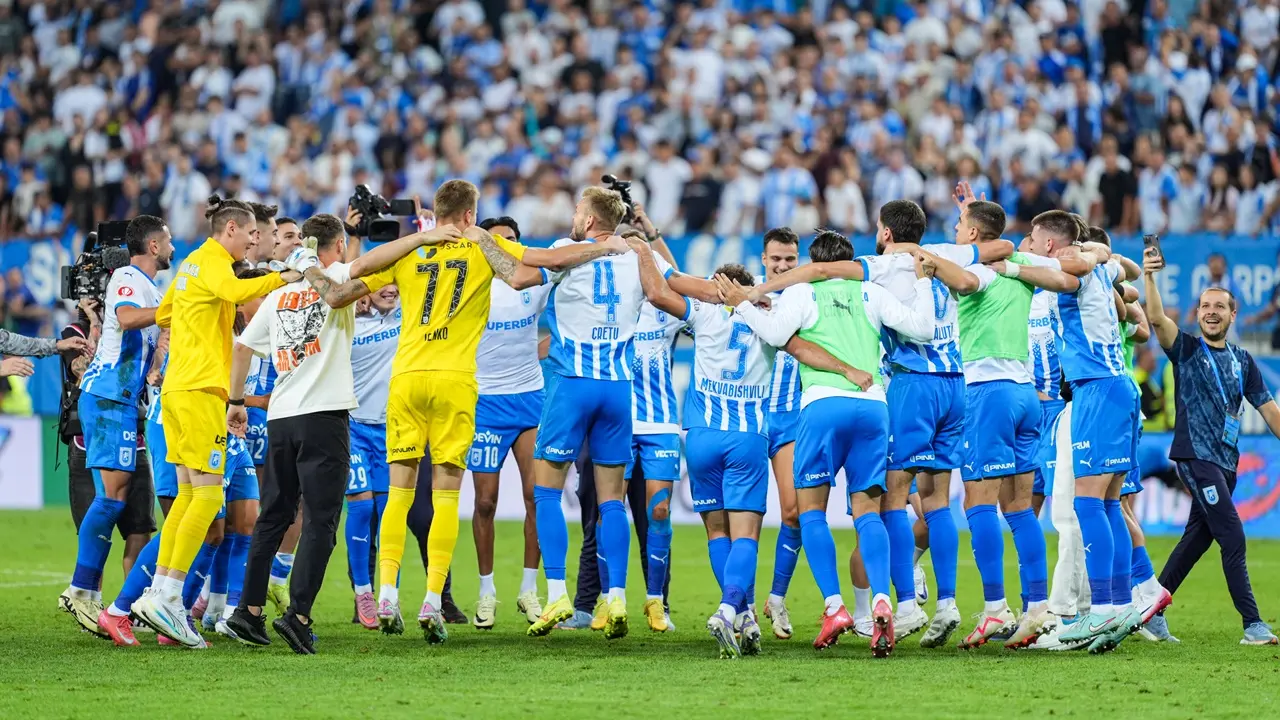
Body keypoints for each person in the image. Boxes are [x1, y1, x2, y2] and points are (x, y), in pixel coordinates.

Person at [365, 180, 624, 644]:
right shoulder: (484, 251)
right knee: (459, 497)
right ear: (470, 217)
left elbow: (349, 280)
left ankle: (389, 592)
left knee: (403, 492)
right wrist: (605, 248)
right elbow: (539, 264)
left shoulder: (407, 254)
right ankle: (435, 599)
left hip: (415, 381)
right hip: (465, 387)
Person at [749, 195, 1014, 647]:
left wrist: (756, 294)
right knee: (935, 500)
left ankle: (903, 603)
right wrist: (962, 231)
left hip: (910, 387)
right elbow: (1000, 249)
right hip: (956, 384)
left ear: (886, 232)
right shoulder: (941, 255)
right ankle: (951, 602)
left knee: (887, 500)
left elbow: (820, 275)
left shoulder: (879, 266)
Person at [225, 213, 451, 652]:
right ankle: (299, 615)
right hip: (324, 417)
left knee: (274, 516)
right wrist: (422, 236)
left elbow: (240, 349)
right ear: (340, 246)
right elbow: (376, 262)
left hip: (281, 417)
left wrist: (236, 403)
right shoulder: (334, 276)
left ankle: (247, 613)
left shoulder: (278, 296)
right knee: (322, 521)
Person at [729, 229, 936, 657]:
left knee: (811, 513)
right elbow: (923, 328)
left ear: (814, 263)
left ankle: (835, 606)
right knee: (868, 511)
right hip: (873, 406)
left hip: (823, 406)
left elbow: (775, 335)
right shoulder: (871, 292)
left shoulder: (803, 293)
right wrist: (923, 281)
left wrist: (742, 304)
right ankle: (882, 599)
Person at [524, 188, 713, 639]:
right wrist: (745, 294)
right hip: (619, 392)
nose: (572, 216)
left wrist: (479, 240)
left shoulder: (565, 252)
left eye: (576, 210)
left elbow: (519, 274)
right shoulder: (637, 258)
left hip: (574, 384)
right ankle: (618, 598)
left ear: (589, 220)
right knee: (611, 504)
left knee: (547, 491)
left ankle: (556, 596)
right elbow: (678, 285)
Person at [663, 257, 867, 658]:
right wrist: (847, 369)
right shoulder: (766, 323)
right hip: (747, 438)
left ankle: (745, 616)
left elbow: (660, 289)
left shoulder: (703, 315)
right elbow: (805, 350)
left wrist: (645, 250)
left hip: (701, 438)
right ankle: (729, 609)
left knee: (716, 533)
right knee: (747, 536)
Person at [129, 197, 295, 647]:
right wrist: (287, 275)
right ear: (231, 231)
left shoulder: (188, 268)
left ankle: (161, 590)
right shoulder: (216, 264)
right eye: (251, 234)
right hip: (203, 390)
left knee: (187, 495)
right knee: (207, 496)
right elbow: (239, 293)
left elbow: (165, 314)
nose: (254, 241)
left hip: (178, 391)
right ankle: (167, 598)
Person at [921, 204, 1083, 649]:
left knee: (978, 501)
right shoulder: (1024, 266)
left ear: (972, 234)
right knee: (1018, 506)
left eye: (959, 226)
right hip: (1025, 395)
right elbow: (1069, 279)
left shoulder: (986, 270)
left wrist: (933, 264)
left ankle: (995, 609)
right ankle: (1037, 607)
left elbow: (968, 280)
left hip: (987, 392)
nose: (954, 232)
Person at [1143, 249, 1280, 646]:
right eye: (1205, 306)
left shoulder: (1243, 361)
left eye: (1220, 306)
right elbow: (1156, 319)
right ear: (1198, 313)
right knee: (1233, 536)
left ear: (1233, 315)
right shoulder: (1185, 349)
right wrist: (1150, 278)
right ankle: (1253, 625)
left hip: (1227, 463)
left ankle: (1152, 611)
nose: (1212, 311)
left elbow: (1270, 413)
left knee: (1196, 540)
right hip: (1195, 457)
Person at [58, 215, 172, 636]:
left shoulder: (151, 287)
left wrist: (159, 350)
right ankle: (81, 589)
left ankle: (89, 590)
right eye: (169, 239)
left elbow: (145, 334)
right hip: (106, 395)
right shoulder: (127, 275)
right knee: (111, 496)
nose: (173, 244)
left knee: (118, 495)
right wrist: (170, 311)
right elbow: (124, 318)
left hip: (122, 400)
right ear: (154, 246)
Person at [467, 216, 549, 629]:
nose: (505, 248)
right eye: (497, 241)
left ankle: (529, 590)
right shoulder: (469, 287)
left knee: (536, 496)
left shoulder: (534, 285)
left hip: (530, 401)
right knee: (484, 502)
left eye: (513, 241)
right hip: (484, 405)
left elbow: (569, 320)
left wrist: (543, 350)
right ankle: (486, 592)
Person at [346, 283, 400, 629]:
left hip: (392, 429)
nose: (390, 289)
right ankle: (362, 590)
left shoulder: (409, 318)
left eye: (396, 282)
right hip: (352, 426)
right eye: (382, 282)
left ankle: (387, 594)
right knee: (362, 506)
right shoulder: (346, 319)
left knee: (387, 513)